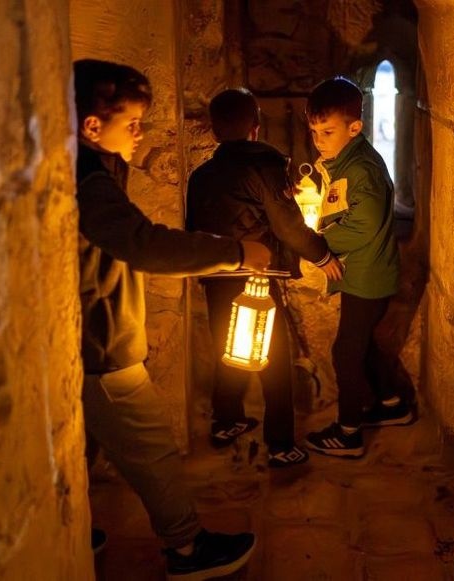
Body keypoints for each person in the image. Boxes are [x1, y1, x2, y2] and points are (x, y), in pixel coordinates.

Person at [74, 59, 266, 580]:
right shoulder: (88, 183)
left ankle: (71, 531)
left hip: (94, 342)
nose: (141, 133)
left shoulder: (96, 168)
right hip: (103, 349)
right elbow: (144, 245)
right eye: (132, 123)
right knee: (154, 451)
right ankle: (186, 549)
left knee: (81, 451)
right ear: (93, 126)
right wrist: (235, 253)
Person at [185, 88, 343, 468]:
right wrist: (321, 255)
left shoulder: (201, 175)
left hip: (217, 273)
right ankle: (280, 443)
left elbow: (193, 227)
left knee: (229, 347)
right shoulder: (263, 168)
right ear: (256, 128)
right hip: (258, 274)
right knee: (274, 360)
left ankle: (227, 420)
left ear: (213, 130)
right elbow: (288, 226)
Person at [302, 77, 414, 459]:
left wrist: (318, 245)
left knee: (345, 353)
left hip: (367, 276)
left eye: (328, 131)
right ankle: (391, 404)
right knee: (363, 345)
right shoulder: (348, 160)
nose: (319, 140)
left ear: (355, 127)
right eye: (314, 131)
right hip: (368, 273)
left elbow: (363, 224)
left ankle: (348, 431)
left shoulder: (360, 169)